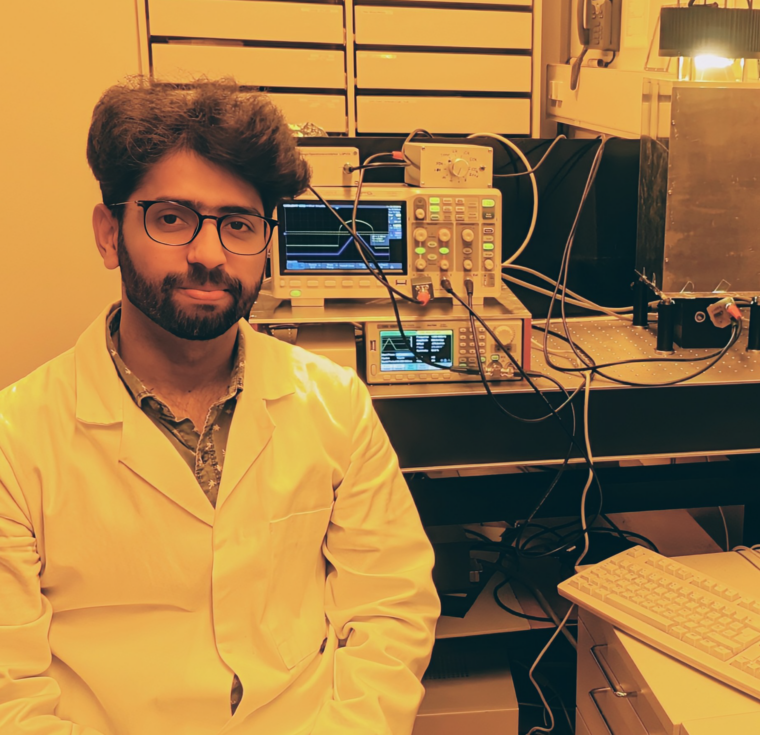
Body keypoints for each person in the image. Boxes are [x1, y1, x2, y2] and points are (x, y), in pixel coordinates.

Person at [0, 78, 440, 735]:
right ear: (108, 233)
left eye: (237, 225)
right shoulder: (16, 440)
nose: (209, 255)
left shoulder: (334, 403)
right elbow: (14, 692)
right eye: (172, 218)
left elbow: (390, 610)